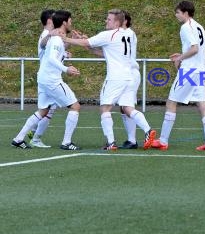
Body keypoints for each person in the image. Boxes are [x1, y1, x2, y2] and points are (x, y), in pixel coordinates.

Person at [63, 9, 155, 151]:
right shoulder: (129, 34)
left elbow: (87, 42)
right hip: (130, 76)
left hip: (115, 77)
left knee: (105, 108)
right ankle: (148, 130)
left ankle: (111, 143)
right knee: (128, 108)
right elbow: (106, 51)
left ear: (118, 22)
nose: (106, 21)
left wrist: (66, 39)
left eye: (109, 19)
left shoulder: (108, 35)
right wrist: (87, 44)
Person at [12, 10, 82, 151]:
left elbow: (53, 53)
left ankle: (19, 139)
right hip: (52, 80)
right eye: (70, 21)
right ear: (64, 22)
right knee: (75, 106)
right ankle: (66, 142)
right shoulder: (54, 38)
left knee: (43, 111)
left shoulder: (56, 38)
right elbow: (51, 58)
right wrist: (66, 69)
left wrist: (67, 48)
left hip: (44, 78)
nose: (71, 23)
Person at [150, 0, 205, 151]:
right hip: (199, 70)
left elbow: (194, 49)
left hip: (189, 71)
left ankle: (163, 141)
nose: (176, 15)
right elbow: (194, 49)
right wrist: (183, 54)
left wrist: (180, 58)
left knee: (171, 102)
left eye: (178, 12)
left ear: (186, 13)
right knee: (202, 105)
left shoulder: (185, 27)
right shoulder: (199, 26)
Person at [26, 9, 57, 148]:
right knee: (47, 110)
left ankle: (32, 133)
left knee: (47, 109)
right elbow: (44, 45)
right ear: (49, 20)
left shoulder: (49, 35)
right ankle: (35, 136)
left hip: (48, 77)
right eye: (55, 18)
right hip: (48, 77)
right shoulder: (46, 34)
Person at [118, 11, 141, 149]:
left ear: (125, 21)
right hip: (127, 73)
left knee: (127, 107)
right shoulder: (128, 34)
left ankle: (147, 131)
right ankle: (131, 139)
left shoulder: (126, 34)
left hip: (130, 73)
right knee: (123, 107)